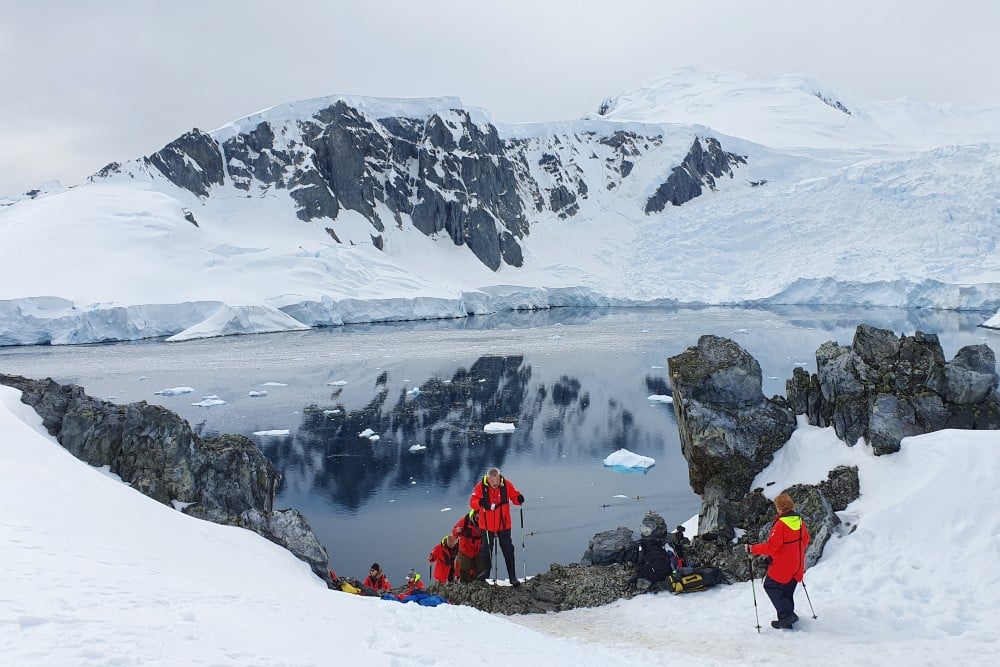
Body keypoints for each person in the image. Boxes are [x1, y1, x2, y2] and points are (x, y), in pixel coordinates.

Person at [746, 493, 811, 629]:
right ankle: (787, 619)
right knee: (787, 590)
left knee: (770, 585)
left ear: (780, 508)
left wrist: (753, 548)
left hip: (783, 566)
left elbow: (772, 547)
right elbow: (805, 541)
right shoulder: (800, 522)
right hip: (797, 564)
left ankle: (787, 616)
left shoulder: (780, 525)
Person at [469, 467, 524, 586]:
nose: (495, 483)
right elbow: (472, 502)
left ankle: (512, 576)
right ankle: (486, 572)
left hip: (503, 524)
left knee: (508, 549)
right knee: (486, 550)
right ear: (488, 479)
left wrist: (519, 499)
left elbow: (515, 496)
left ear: (499, 477)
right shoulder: (480, 487)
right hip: (487, 525)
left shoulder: (506, 484)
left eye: (497, 480)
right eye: (493, 481)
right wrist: (479, 503)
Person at [452, 509, 488, 582]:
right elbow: (454, 532)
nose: (479, 520)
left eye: (481, 518)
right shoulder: (466, 520)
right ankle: (466, 585)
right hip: (465, 550)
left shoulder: (485, 521)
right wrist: (457, 530)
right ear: (474, 514)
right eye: (478, 518)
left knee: (480, 569)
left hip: (478, 551)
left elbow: (490, 531)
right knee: (464, 569)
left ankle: (478, 584)